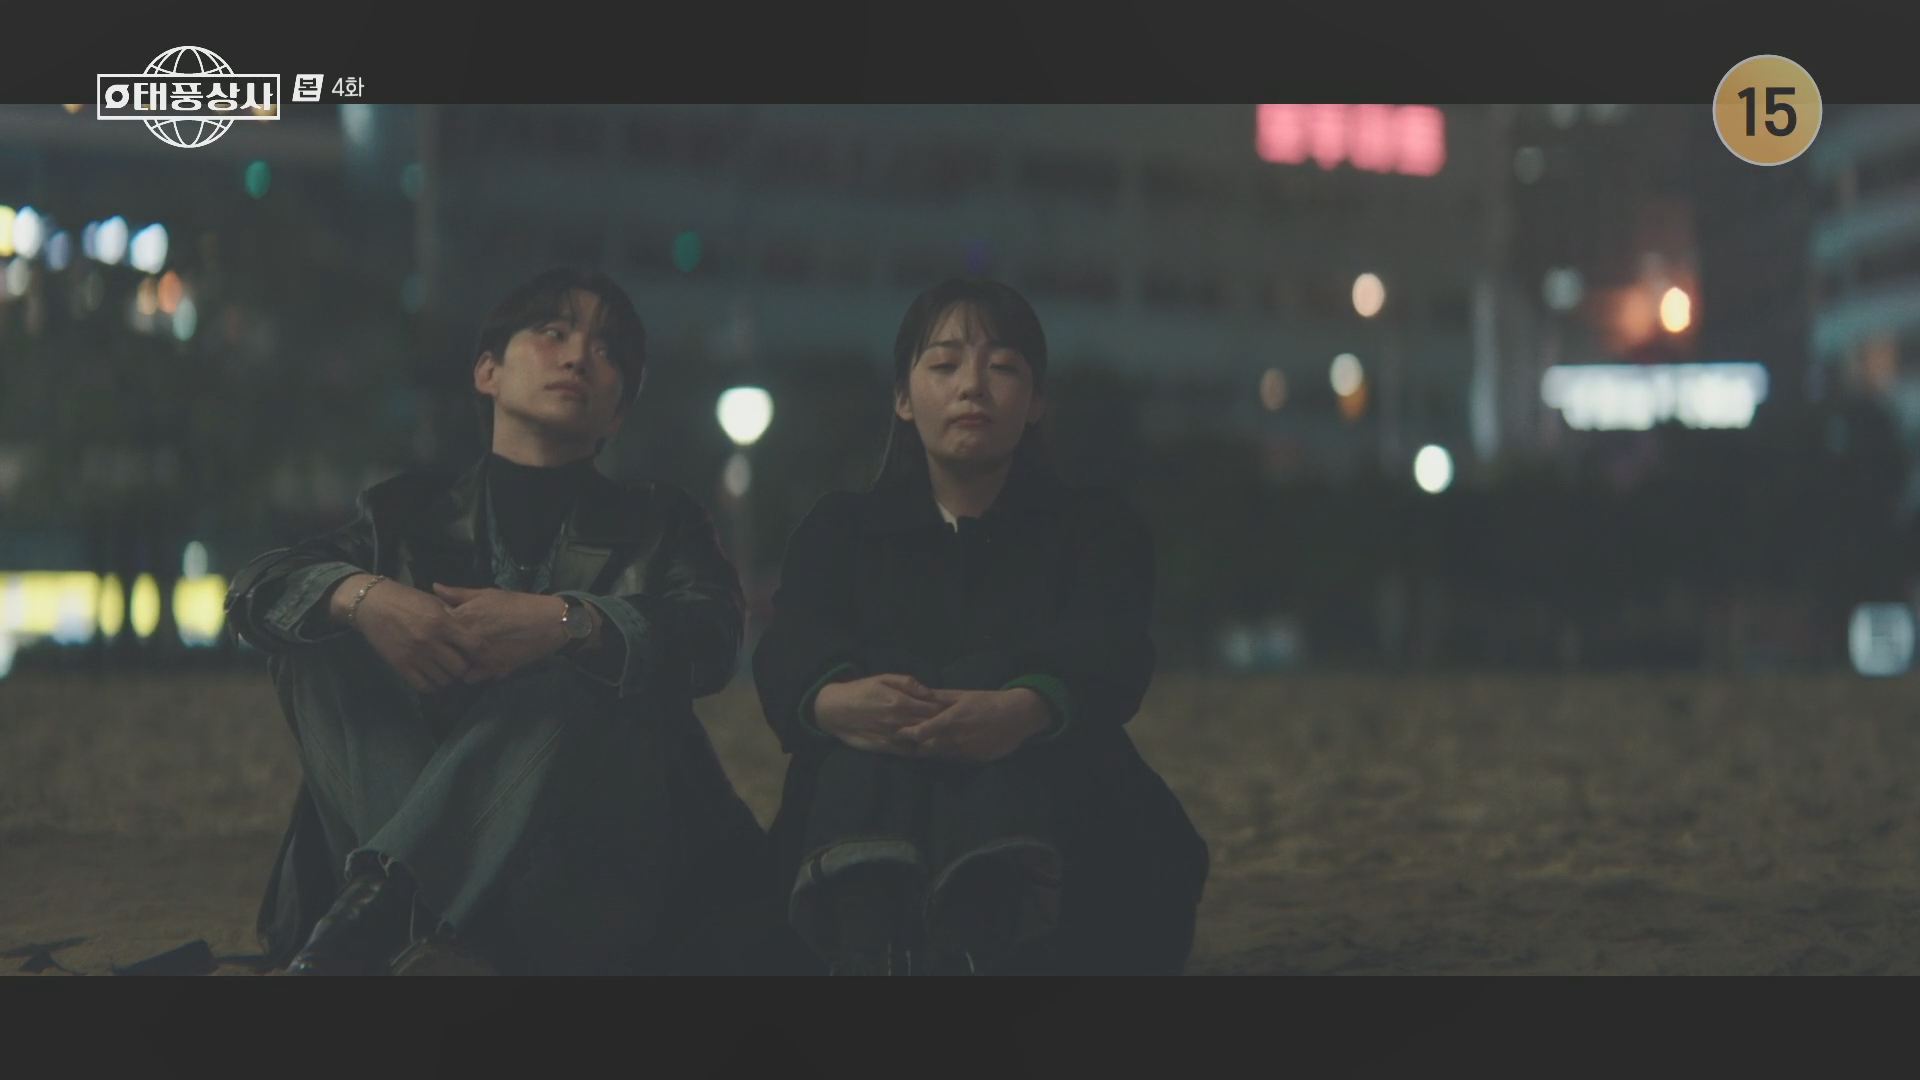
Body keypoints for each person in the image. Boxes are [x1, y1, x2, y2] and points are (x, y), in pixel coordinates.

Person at [224, 267, 767, 974]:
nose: (579, 356)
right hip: (410, 810)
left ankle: (379, 920)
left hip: (588, 879)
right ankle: (437, 935)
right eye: (553, 332)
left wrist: (569, 624)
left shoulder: (661, 522)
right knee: (321, 630)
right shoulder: (403, 516)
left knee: (570, 674)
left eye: (607, 351)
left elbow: (713, 636)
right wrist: (368, 598)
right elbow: (257, 593)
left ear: (617, 414)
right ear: (488, 372)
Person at [753, 278, 1208, 975]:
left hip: (1054, 790)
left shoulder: (1093, 529)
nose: (972, 386)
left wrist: (1021, 708)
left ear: (1036, 402)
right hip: (865, 786)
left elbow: (1113, 648)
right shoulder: (841, 530)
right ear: (904, 399)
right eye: (943, 364)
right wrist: (836, 702)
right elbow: (791, 644)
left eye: (1002, 367)